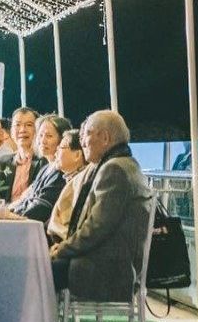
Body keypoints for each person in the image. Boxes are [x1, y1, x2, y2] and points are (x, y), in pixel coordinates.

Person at [49, 110, 154, 298]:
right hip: (110, 263)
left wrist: (63, 249)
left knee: (38, 269)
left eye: (87, 134)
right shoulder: (125, 164)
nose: (82, 141)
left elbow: (96, 228)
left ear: (105, 138)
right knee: (41, 265)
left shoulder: (115, 170)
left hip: (107, 271)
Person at [0, 106, 42, 204]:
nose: (22, 129)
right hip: (3, 215)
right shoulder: (4, 161)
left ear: (37, 130)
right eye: (17, 125)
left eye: (29, 125)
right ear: (11, 131)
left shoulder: (43, 161)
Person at [44, 130, 88, 243]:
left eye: (62, 147)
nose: (56, 152)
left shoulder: (82, 184)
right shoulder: (71, 181)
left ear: (77, 155)